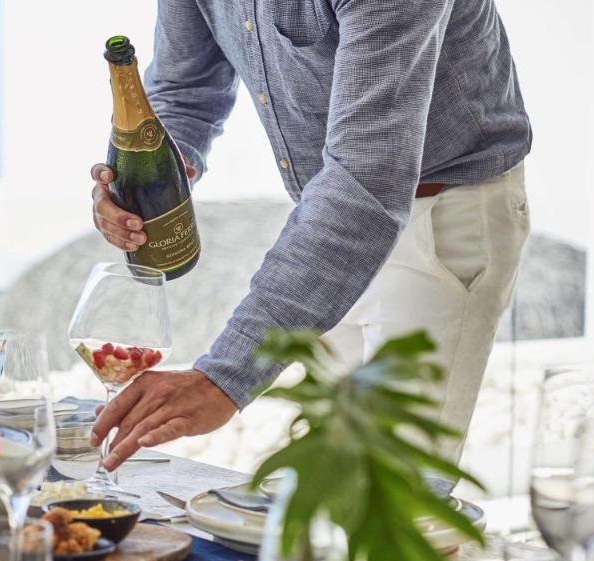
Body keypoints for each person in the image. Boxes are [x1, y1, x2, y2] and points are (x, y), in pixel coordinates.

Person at [90, 0, 531, 469]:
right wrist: (145, 180)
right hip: (325, 225)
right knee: (335, 474)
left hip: (440, 218)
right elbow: (185, 89)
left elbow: (365, 178)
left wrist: (221, 378)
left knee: (399, 487)